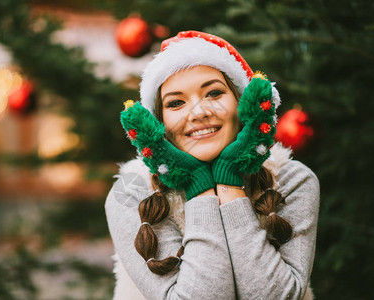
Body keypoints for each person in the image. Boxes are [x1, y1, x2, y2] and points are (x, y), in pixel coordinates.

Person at [105, 31, 320, 300]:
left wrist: (229, 182)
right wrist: (198, 184)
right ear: (159, 122)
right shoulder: (131, 193)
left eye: (214, 93)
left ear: (242, 103)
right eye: (176, 102)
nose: (198, 112)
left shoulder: (292, 179)